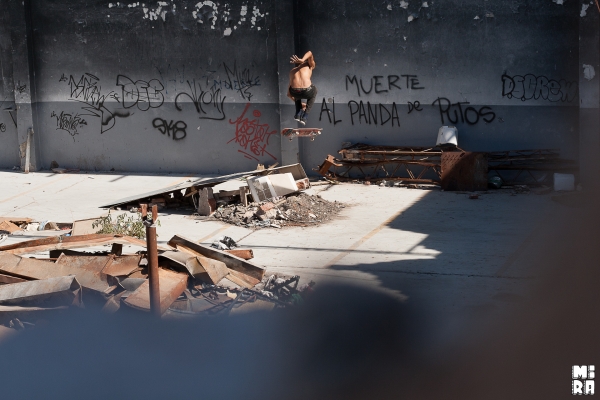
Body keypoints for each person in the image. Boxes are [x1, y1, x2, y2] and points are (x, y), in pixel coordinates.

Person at [287, 51, 317, 125]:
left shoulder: (292, 71)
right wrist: (303, 59)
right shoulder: (309, 65)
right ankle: (305, 116)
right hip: (307, 91)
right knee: (314, 91)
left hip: (294, 92)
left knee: (296, 92)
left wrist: (300, 105)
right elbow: (310, 53)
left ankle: (298, 113)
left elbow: (288, 94)